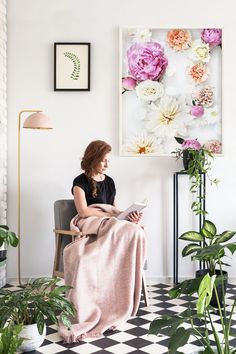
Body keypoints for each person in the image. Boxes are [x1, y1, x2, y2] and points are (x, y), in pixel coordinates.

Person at [72, 140, 142, 223]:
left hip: (109, 221)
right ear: (92, 159)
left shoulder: (109, 181)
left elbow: (114, 210)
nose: (107, 165)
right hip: (91, 222)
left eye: (108, 161)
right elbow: (83, 212)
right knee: (133, 231)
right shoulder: (80, 181)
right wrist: (112, 216)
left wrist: (129, 216)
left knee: (136, 228)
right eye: (103, 161)